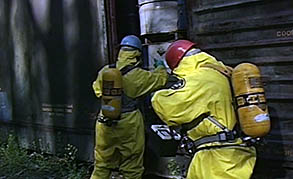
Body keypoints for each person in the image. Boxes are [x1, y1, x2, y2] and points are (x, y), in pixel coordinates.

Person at [151, 39, 257, 179]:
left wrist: (156, 94)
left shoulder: (201, 79)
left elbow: (170, 107)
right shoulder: (222, 72)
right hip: (229, 153)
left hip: (217, 157)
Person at [91, 35, 168, 179]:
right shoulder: (138, 75)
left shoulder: (106, 70)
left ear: (120, 52)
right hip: (129, 122)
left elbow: (97, 90)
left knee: (102, 164)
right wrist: (160, 67)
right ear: (137, 55)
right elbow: (160, 80)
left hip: (105, 120)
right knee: (131, 165)